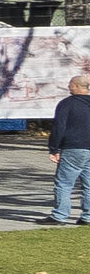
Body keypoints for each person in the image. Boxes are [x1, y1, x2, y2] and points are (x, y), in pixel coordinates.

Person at [50, 74, 90, 225]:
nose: (68, 87)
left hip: (73, 147)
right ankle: (87, 216)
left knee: (64, 183)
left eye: (71, 84)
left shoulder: (67, 103)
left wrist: (54, 148)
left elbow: (59, 127)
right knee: (88, 185)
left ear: (77, 86)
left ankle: (59, 215)